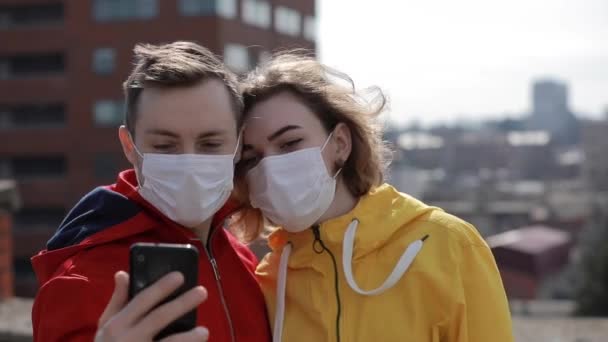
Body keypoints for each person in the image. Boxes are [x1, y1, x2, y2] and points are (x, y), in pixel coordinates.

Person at [236, 53, 514, 342]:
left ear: (340, 143)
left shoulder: (447, 246)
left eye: (290, 143)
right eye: (252, 158)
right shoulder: (268, 280)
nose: (270, 168)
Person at [31, 41, 271, 342]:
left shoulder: (245, 264)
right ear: (129, 146)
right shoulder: (80, 280)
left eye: (210, 144)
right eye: (165, 145)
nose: (188, 162)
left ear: (238, 145)